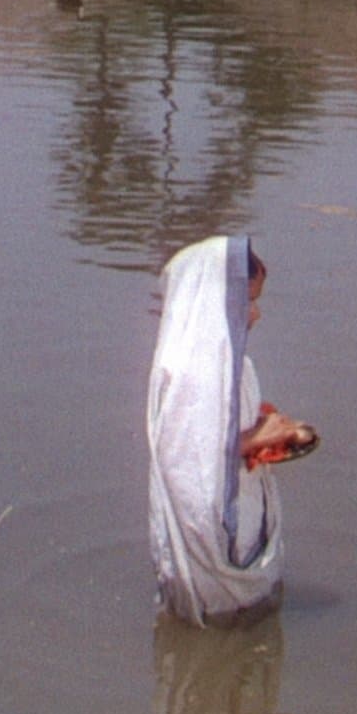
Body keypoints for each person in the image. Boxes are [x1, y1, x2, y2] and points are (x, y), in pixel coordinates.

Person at [147, 235, 316, 626]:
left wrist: (263, 429)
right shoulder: (191, 373)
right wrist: (260, 437)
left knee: (243, 618)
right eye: (248, 302)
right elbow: (187, 458)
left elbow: (216, 431)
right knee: (223, 624)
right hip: (205, 531)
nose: (256, 315)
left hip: (237, 512)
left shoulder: (228, 362)